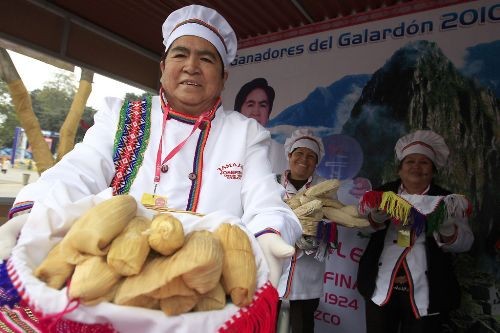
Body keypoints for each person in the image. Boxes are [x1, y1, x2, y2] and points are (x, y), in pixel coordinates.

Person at [0, 4, 301, 331]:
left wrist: (271, 233)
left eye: (206, 58)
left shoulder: (245, 133)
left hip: (202, 298)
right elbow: (78, 170)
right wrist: (34, 214)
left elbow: (264, 197)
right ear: (162, 66)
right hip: (117, 284)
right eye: (180, 54)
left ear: (224, 76)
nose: (191, 66)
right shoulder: (123, 115)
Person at [357, 129, 474, 333]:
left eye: (424, 162)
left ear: (433, 170)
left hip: (428, 292)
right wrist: (375, 218)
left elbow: (466, 243)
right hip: (381, 288)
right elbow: (360, 229)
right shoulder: (381, 194)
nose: (416, 167)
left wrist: (447, 228)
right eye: (410, 161)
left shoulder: (447, 201)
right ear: (399, 170)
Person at [276, 128, 327, 333]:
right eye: (299, 153)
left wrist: (313, 237)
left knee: (302, 326)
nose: (303, 160)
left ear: (316, 162)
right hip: (273, 272)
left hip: (307, 275)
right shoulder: (271, 183)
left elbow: (332, 224)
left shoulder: (325, 189)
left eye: (310, 156)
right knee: (266, 324)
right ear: (289, 155)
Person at [234, 78, 288, 174]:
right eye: (250, 105)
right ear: (239, 110)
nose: (256, 112)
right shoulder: (223, 145)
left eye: (262, 105)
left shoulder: (282, 152)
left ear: (268, 112)